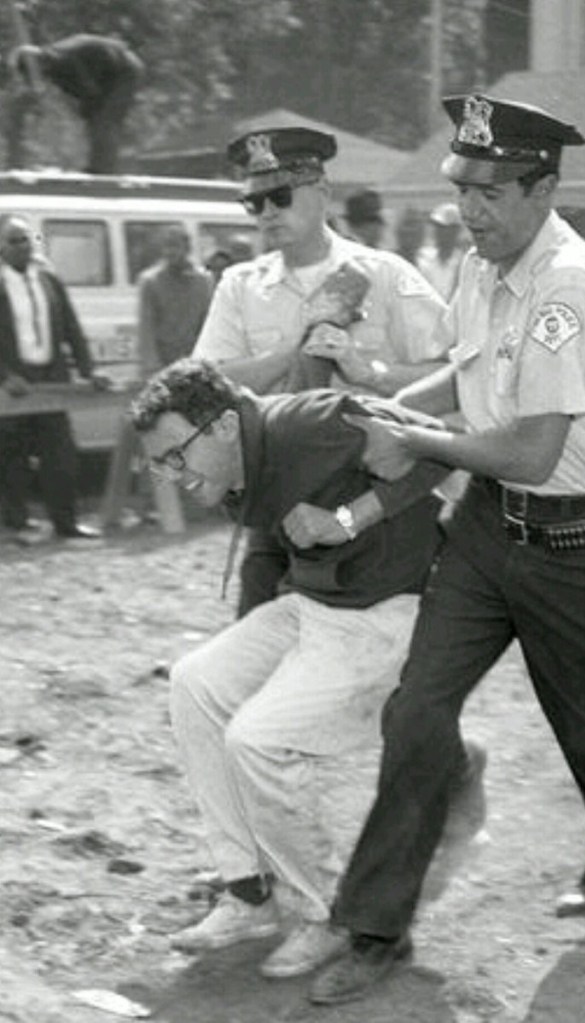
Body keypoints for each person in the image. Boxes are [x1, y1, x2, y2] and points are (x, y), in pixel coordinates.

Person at [309, 93, 585, 1005]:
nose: (468, 209)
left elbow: (533, 449)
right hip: (486, 529)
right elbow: (466, 378)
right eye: (461, 188)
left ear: (544, 189)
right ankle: (376, 925)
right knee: (416, 710)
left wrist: (415, 440)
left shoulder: (571, 286)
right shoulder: (479, 264)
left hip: (583, 541)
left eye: (490, 193)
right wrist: (390, 405)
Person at [130, 358, 451, 978]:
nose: (171, 475)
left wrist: (350, 518)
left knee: (257, 739)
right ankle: (249, 891)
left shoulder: (313, 421)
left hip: (388, 609)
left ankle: (323, 913)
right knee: (195, 683)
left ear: (225, 426)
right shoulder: (232, 463)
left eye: (175, 455)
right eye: (159, 463)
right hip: (316, 605)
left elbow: (440, 446)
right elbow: (267, 553)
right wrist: (253, 646)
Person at [192, 123, 450, 614]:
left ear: (323, 192)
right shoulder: (240, 285)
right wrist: (292, 350)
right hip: (276, 497)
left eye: (281, 196)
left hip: (369, 498)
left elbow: (452, 374)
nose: (268, 212)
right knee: (256, 629)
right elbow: (208, 384)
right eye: (254, 203)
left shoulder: (385, 275)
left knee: (374, 639)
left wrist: (369, 371)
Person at [0, 215, 109, 544]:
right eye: (14, 240)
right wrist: (6, 376)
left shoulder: (49, 279)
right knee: (12, 458)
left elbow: (72, 329)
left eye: (26, 239)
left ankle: (66, 524)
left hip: (51, 378)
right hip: (14, 383)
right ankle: (17, 525)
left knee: (61, 453)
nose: (23, 246)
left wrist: (89, 370)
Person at [8, 34, 144, 174]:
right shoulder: (53, 63)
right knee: (96, 119)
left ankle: (103, 169)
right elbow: (82, 93)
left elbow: (90, 93)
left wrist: (88, 112)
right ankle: (98, 165)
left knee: (104, 120)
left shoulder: (64, 61)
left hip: (125, 71)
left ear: (38, 65)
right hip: (107, 75)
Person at [137, 226, 212, 377]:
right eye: (167, 247)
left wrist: (207, 358)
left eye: (175, 246)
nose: (170, 252)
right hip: (163, 360)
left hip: (195, 357)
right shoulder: (151, 281)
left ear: (187, 249)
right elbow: (147, 325)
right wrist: (151, 365)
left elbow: (208, 321)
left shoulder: (202, 280)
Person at [416, 201, 463, 300]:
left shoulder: (464, 262)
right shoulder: (423, 258)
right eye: (438, 227)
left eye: (445, 228)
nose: (440, 232)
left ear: (456, 230)